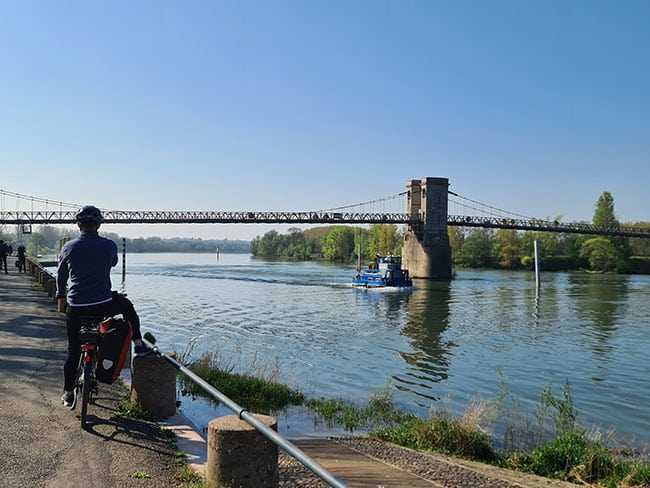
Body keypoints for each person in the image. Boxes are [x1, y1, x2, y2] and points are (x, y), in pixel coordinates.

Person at [56, 205, 152, 408]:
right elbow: (113, 263)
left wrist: (61, 294)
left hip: (76, 306)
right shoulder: (109, 246)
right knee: (127, 307)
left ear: (78, 224)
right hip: (102, 304)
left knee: (73, 352)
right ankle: (139, 345)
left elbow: (61, 276)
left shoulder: (68, 247)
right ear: (98, 225)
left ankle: (68, 393)